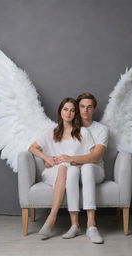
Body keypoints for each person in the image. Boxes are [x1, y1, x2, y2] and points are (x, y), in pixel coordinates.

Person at [28, 97, 95, 240]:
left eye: (72, 110)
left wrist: (73, 161)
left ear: (75, 113)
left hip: (75, 171)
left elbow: (93, 155)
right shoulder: (51, 132)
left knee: (65, 168)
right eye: (65, 109)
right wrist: (47, 158)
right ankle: (52, 218)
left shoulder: (83, 132)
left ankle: (52, 219)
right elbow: (32, 148)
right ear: (60, 111)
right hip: (54, 171)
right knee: (63, 168)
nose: (68, 113)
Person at [56, 93, 108, 244]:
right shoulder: (70, 127)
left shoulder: (101, 129)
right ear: (78, 108)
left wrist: (71, 159)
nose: (85, 110)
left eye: (89, 107)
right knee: (72, 170)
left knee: (87, 168)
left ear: (94, 109)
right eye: (82, 107)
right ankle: (74, 225)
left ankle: (91, 226)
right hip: (73, 168)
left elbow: (95, 157)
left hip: (95, 170)